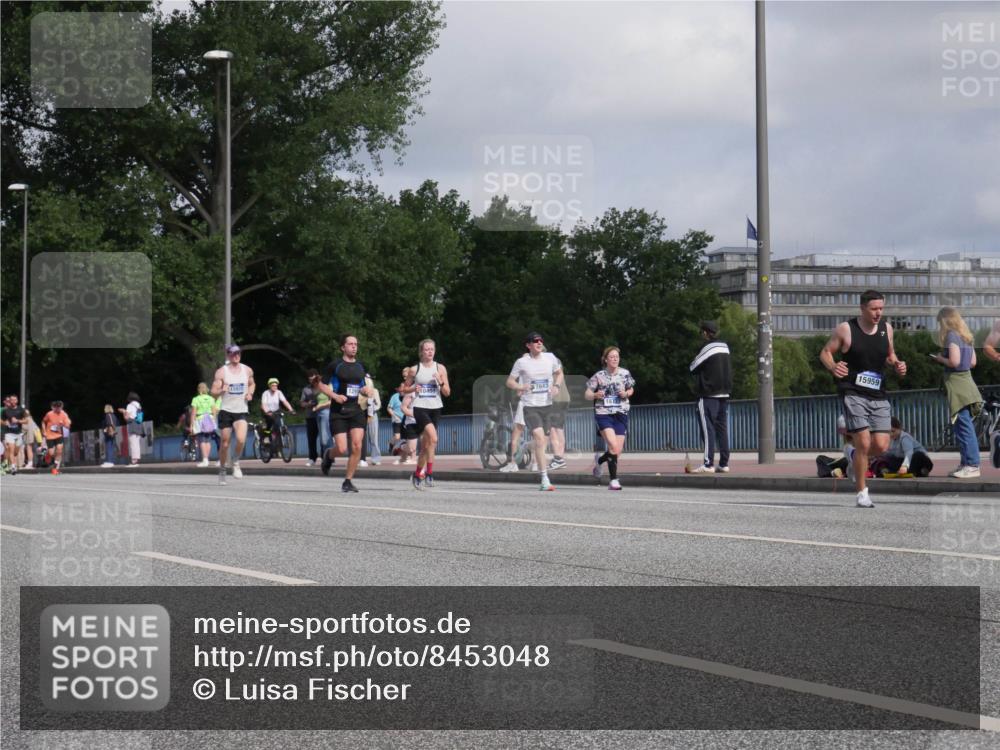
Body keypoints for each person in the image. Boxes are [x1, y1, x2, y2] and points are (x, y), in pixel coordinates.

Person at [820, 290, 907, 508]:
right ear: (862, 308)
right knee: (864, 442)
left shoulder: (887, 329)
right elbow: (825, 352)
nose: (879, 313)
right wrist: (832, 366)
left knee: (881, 446)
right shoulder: (846, 329)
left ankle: (853, 460)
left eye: (881, 308)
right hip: (853, 392)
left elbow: (889, 354)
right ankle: (862, 492)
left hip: (878, 393)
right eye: (874, 309)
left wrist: (897, 364)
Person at [314, 334, 374, 493]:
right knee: (341, 449)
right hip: (338, 411)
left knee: (356, 446)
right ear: (343, 347)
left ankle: (348, 481)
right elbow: (321, 385)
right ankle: (328, 455)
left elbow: (363, 386)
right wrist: (334, 396)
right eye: (350, 344)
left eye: (356, 344)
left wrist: (366, 390)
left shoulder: (361, 366)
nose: (354, 346)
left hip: (356, 410)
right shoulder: (335, 365)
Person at [506, 332, 564, 492]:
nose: (539, 343)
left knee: (542, 443)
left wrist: (557, 386)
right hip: (529, 405)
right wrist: (521, 386)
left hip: (547, 405)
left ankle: (536, 463)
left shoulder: (550, 358)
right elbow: (510, 382)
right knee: (539, 438)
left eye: (541, 341)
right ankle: (545, 478)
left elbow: (559, 374)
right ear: (528, 345)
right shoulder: (522, 362)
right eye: (535, 341)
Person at [931, 307, 981, 479]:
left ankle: (972, 465)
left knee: (963, 427)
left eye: (940, 323)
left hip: (957, 386)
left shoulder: (951, 336)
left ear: (945, 321)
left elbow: (954, 361)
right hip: (968, 383)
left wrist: (939, 359)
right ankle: (966, 463)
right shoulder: (966, 337)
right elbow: (973, 362)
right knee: (964, 426)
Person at [586, 346, 636, 491]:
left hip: (621, 413)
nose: (615, 359)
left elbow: (631, 389)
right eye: (612, 356)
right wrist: (595, 395)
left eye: (617, 357)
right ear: (606, 359)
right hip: (603, 414)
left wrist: (626, 394)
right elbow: (587, 394)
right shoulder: (599, 375)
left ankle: (600, 461)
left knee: (617, 451)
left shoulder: (625, 373)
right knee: (613, 446)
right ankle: (614, 480)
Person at [689, 320, 733, 474]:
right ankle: (724, 463)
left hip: (708, 394)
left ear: (706, 333)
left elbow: (693, 367)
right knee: (722, 428)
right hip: (724, 392)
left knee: (707, 429)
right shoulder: (725, 346)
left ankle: (708, 464)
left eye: (702, 332)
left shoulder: (708, 347)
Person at [409, 339, 451, 489]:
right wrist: (414, 388)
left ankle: (418, 474)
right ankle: (430, 474)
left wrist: (440, 382)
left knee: (428, 445)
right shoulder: (415, 369)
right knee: (434, 438)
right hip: (420, 407)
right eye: (426, 349)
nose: (430, 352)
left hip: (435, 408)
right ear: (421, 352)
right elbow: (404, 389)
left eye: (432, 349)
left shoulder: (440, 368)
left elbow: (447, 393)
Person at [211, 345, 255, 483]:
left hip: (241, 410)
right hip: (226, 411)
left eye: (238, 353)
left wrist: (250, 393)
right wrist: (221, 391)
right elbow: (213, 392)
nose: (236, 355)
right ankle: (223, 470)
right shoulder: (221, 372)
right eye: (233, 353)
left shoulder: (247, 370)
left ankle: (235, 462)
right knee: (224, 443)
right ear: (228, 355)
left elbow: (252, 384)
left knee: (241, 439)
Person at [261, 378, 295, 451]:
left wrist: (291, 409)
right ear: (269, 386)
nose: (275, 387)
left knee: (278, 425)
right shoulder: (266, 393)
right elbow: (263, 404)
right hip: (268, 412)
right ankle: (266, 438)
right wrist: (267, 412)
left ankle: (278, 443)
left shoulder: (279, 392)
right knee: (269, 425)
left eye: (276, 386)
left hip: (276, 411)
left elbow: (284, 401)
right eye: (273, 385)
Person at [190, 382, 217, 467]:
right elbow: (214, 411)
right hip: (209, 419)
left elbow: (193, 413)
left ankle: (205, 460)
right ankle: (207, 459)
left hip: (200, 420)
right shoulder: (211, 398)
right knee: (208, 440)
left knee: (201, 440)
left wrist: (191, 424)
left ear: (199, 389)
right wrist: (213, 420)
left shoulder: (196, 399)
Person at [41, 401, 71, 475]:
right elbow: (43, 422)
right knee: (51, 453)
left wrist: (64, 424)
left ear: (62, 407)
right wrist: (44, 431)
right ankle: (47, 455)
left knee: (59, 451)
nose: (58, 409)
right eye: (56, 407)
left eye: (60, 407)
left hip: (59, 435)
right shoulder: (49, 414)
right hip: (50, 435)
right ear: (54, 407)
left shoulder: (64, 414)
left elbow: (68, 424)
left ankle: (55, 469)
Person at [398, 368, 419, 464]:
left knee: (429, 442)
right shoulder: (410, 391)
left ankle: (414, 458)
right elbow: (403, 408)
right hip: (411, 420)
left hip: (423, 420)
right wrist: (415, 415)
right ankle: (401, 447)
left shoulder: (427, 389)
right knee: (411, 448)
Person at [2, 394, 28, 475]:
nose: (13, 401)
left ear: (17, 401)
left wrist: (18, 421)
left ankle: (9, 464)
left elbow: (26, 421)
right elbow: (1, 420)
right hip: (9, 433)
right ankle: (13, 467)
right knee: (11, 450)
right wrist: (5, 423)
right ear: (9, 401)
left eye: (14, 400)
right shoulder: (6, 410)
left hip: (18, 433)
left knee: (16, 452)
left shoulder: (21, 409)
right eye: (11, 400)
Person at [117, 392, 144, 467]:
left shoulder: (130, 405)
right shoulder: (138, 405)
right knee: (137, 443)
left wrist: (123, 412)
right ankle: (136, 460)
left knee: (133, 443)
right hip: (139, 425)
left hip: (132, 425)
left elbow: (127, 418)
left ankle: (134, 462)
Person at [300, 371, 321, 466]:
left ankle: (326, 457)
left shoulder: (322, 387)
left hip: (322, 415)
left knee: (325, 438)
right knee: (311, 438)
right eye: (309, 378)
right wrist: (308, 404)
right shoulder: (306, 389)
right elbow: (302, 403)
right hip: (310, 416)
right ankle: (312, 458)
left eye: (313, 378)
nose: (311, 380)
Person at [364, 380, 382, 467]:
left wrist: (372, 408)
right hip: (361, 415)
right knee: (360, 438)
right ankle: (360, 458)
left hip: (372, 415)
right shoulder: (360, 392)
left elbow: (378, 404)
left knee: (374, 437)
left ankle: (376, 458)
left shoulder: (375, 391)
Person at [387, 381, 404, 456]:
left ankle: (401, 451)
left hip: (406, 419)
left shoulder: (409, 395)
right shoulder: (394, 396)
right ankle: (391, 444)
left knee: (405, 437)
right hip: (397, 418)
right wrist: (394, 415)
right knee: (397, 437)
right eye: (401, 387)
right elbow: (389, 408)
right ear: (399, 388)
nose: (402, 389)